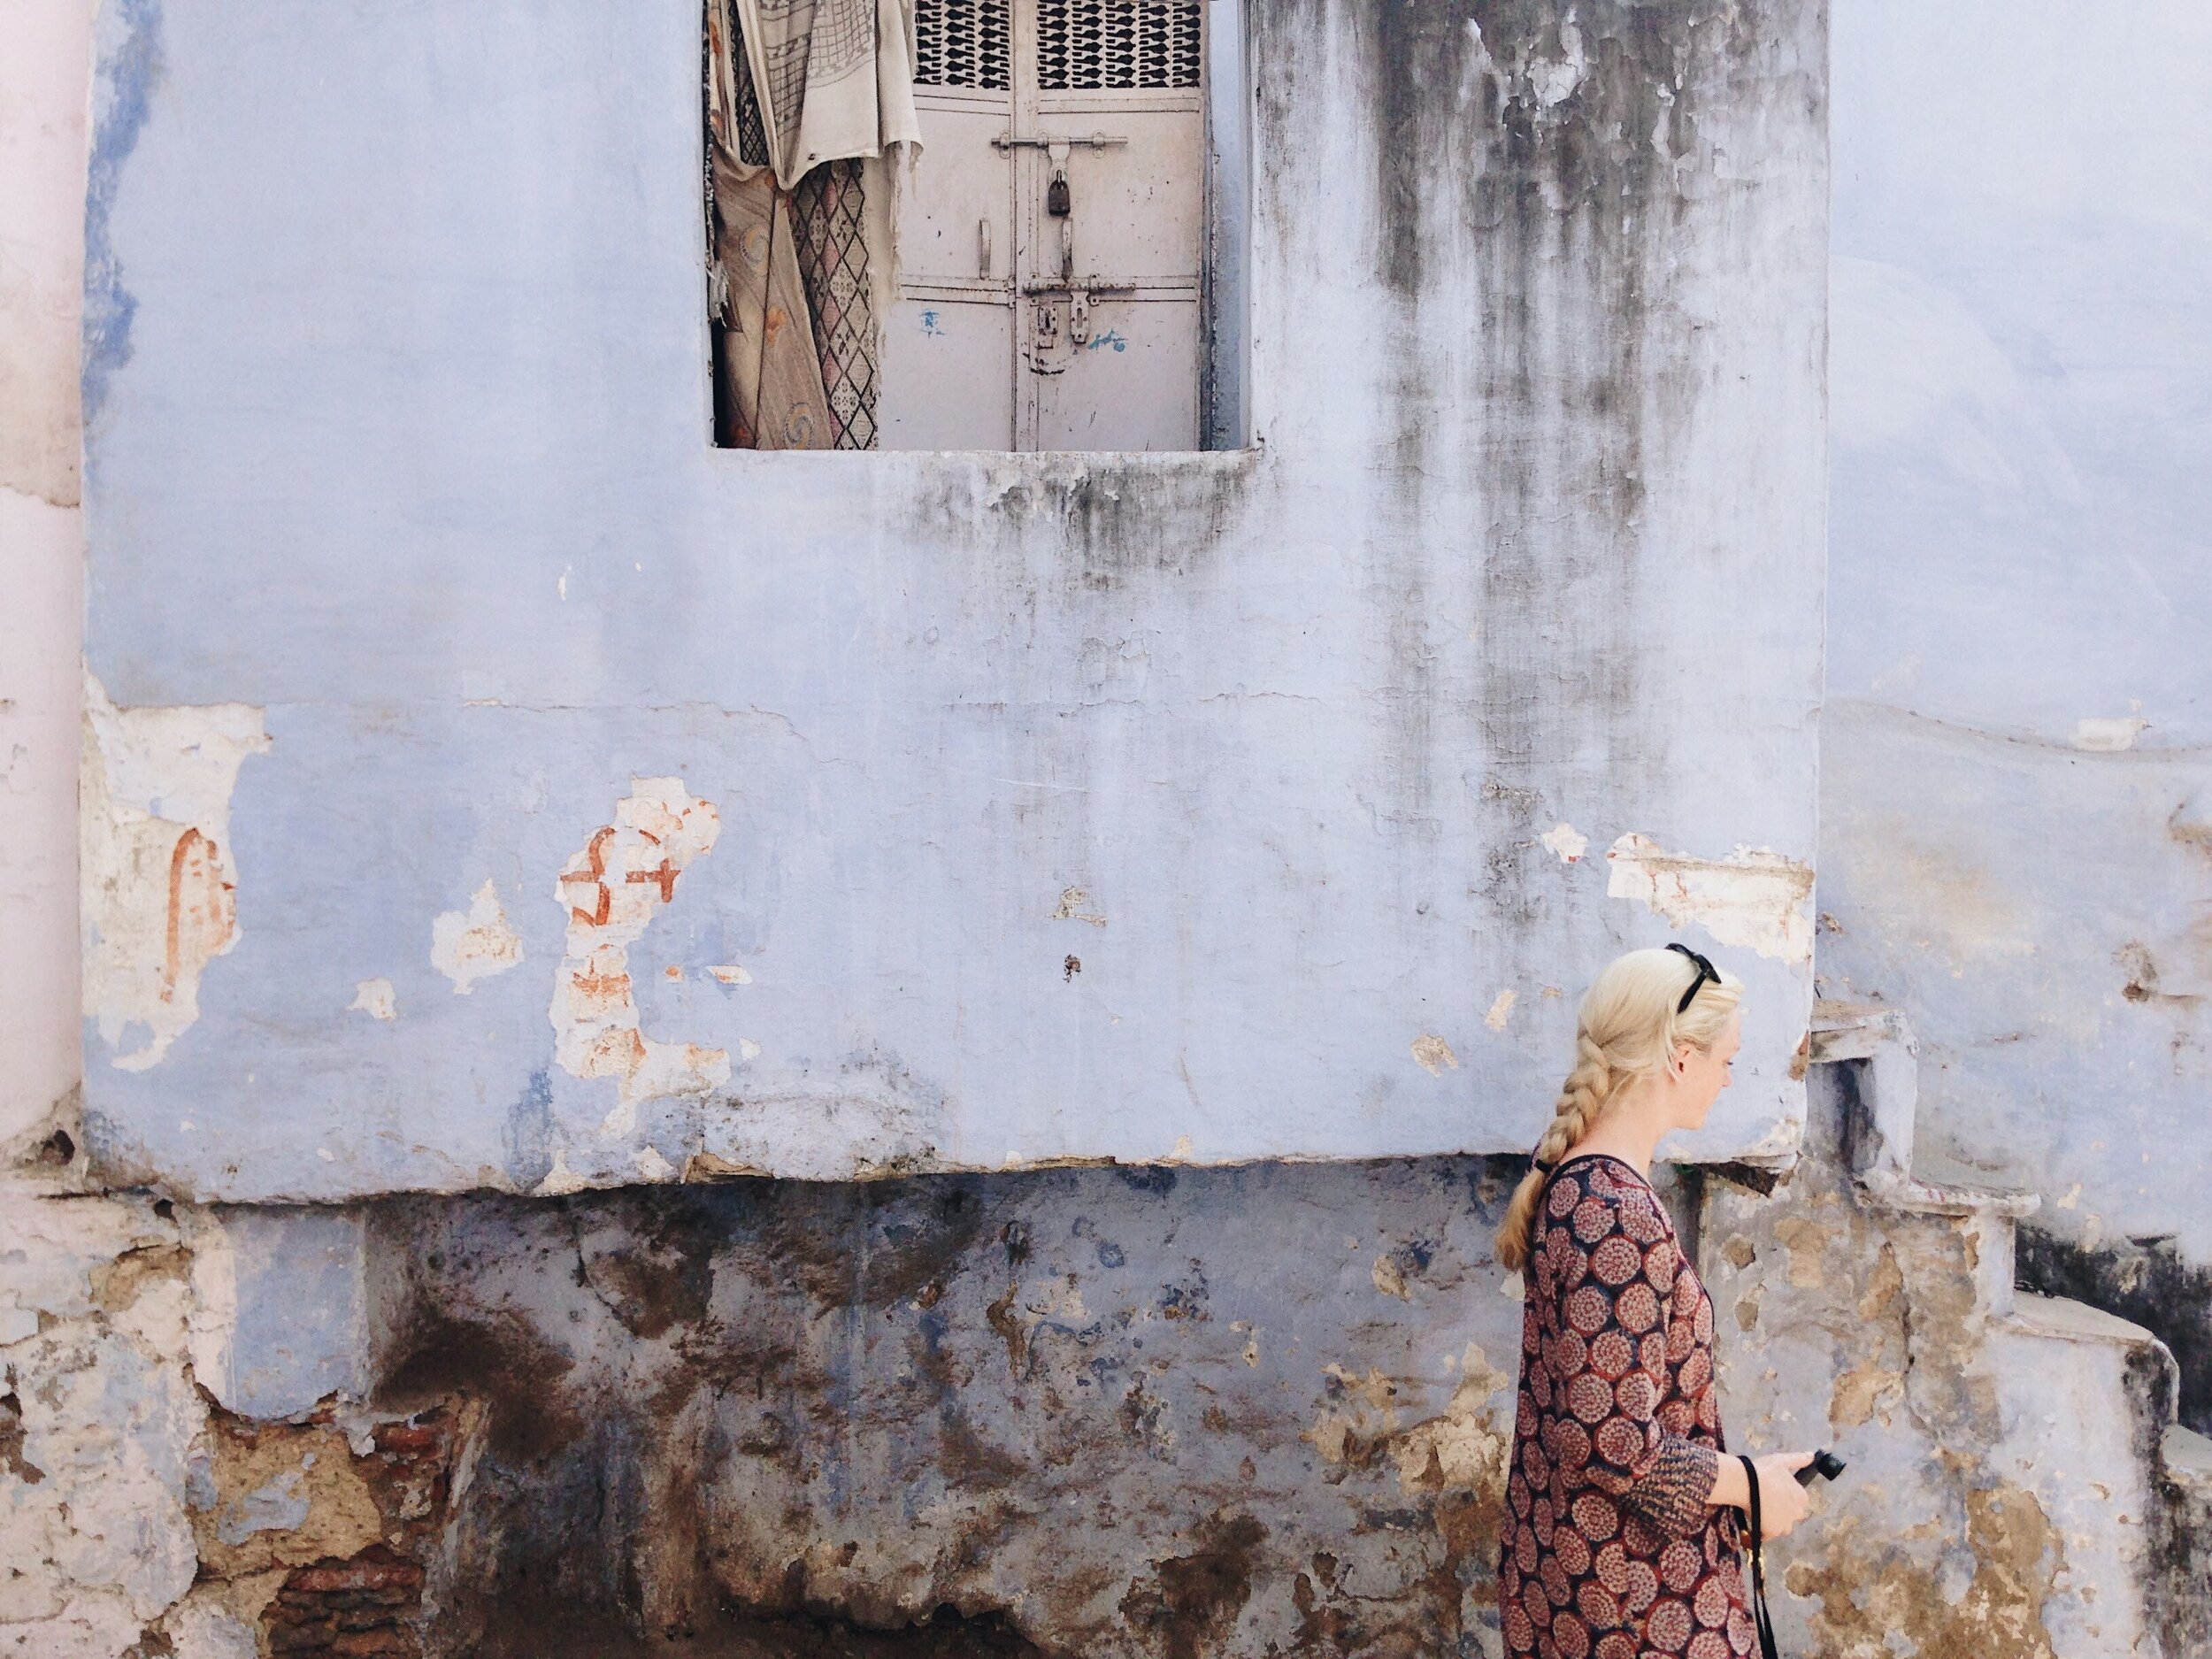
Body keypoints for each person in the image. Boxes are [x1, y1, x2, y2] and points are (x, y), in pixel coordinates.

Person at [1494, 945, 1816, 1659]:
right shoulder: (1615, 1212)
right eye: (1726, 1059)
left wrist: (1750, 1484)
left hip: (1580, 1573)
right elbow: (1611, 1440)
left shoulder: (1583, 1182)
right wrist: (1749, 1483)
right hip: (1633, 1599)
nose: (1728, 1078)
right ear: (1679, 1057)